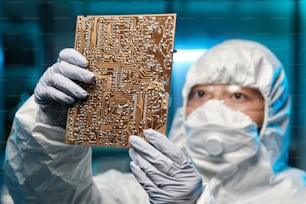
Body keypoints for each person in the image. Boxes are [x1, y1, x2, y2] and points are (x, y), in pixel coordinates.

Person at [4, 39, 306, 203]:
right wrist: (51, 128)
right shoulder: (135, 192)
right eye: (200, 93)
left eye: (238, 96)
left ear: (274, 112)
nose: (213, 108)